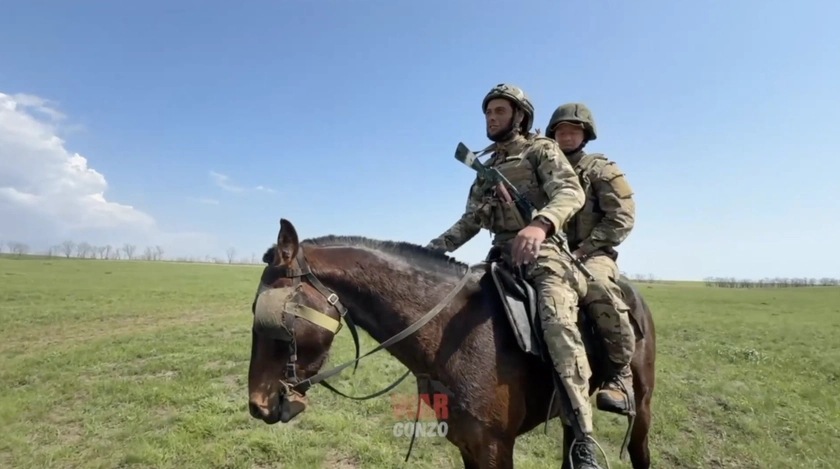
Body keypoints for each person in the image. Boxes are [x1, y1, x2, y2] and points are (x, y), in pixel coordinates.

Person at [426, 84, 602, 468]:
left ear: (519, 116)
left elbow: (571, 193)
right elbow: (470, 221)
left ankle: (583, 437)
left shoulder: (541, 150)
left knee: (557, 322)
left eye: (500, 111)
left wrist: (540, 225)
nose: (491, 117)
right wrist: (431, 250)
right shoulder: (486, 168)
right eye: (488, 111)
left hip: (545, 256)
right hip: (499, 258)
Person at [545, 102, 637, 416]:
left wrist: (584, 249)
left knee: (598, 286)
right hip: (551, 254)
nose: (566, 136)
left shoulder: (601, 169)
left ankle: (619, 374)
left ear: (585, 134)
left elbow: (621, 217)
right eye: (560, 130)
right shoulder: (543, 169)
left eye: (573, 130)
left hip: (592, 255)